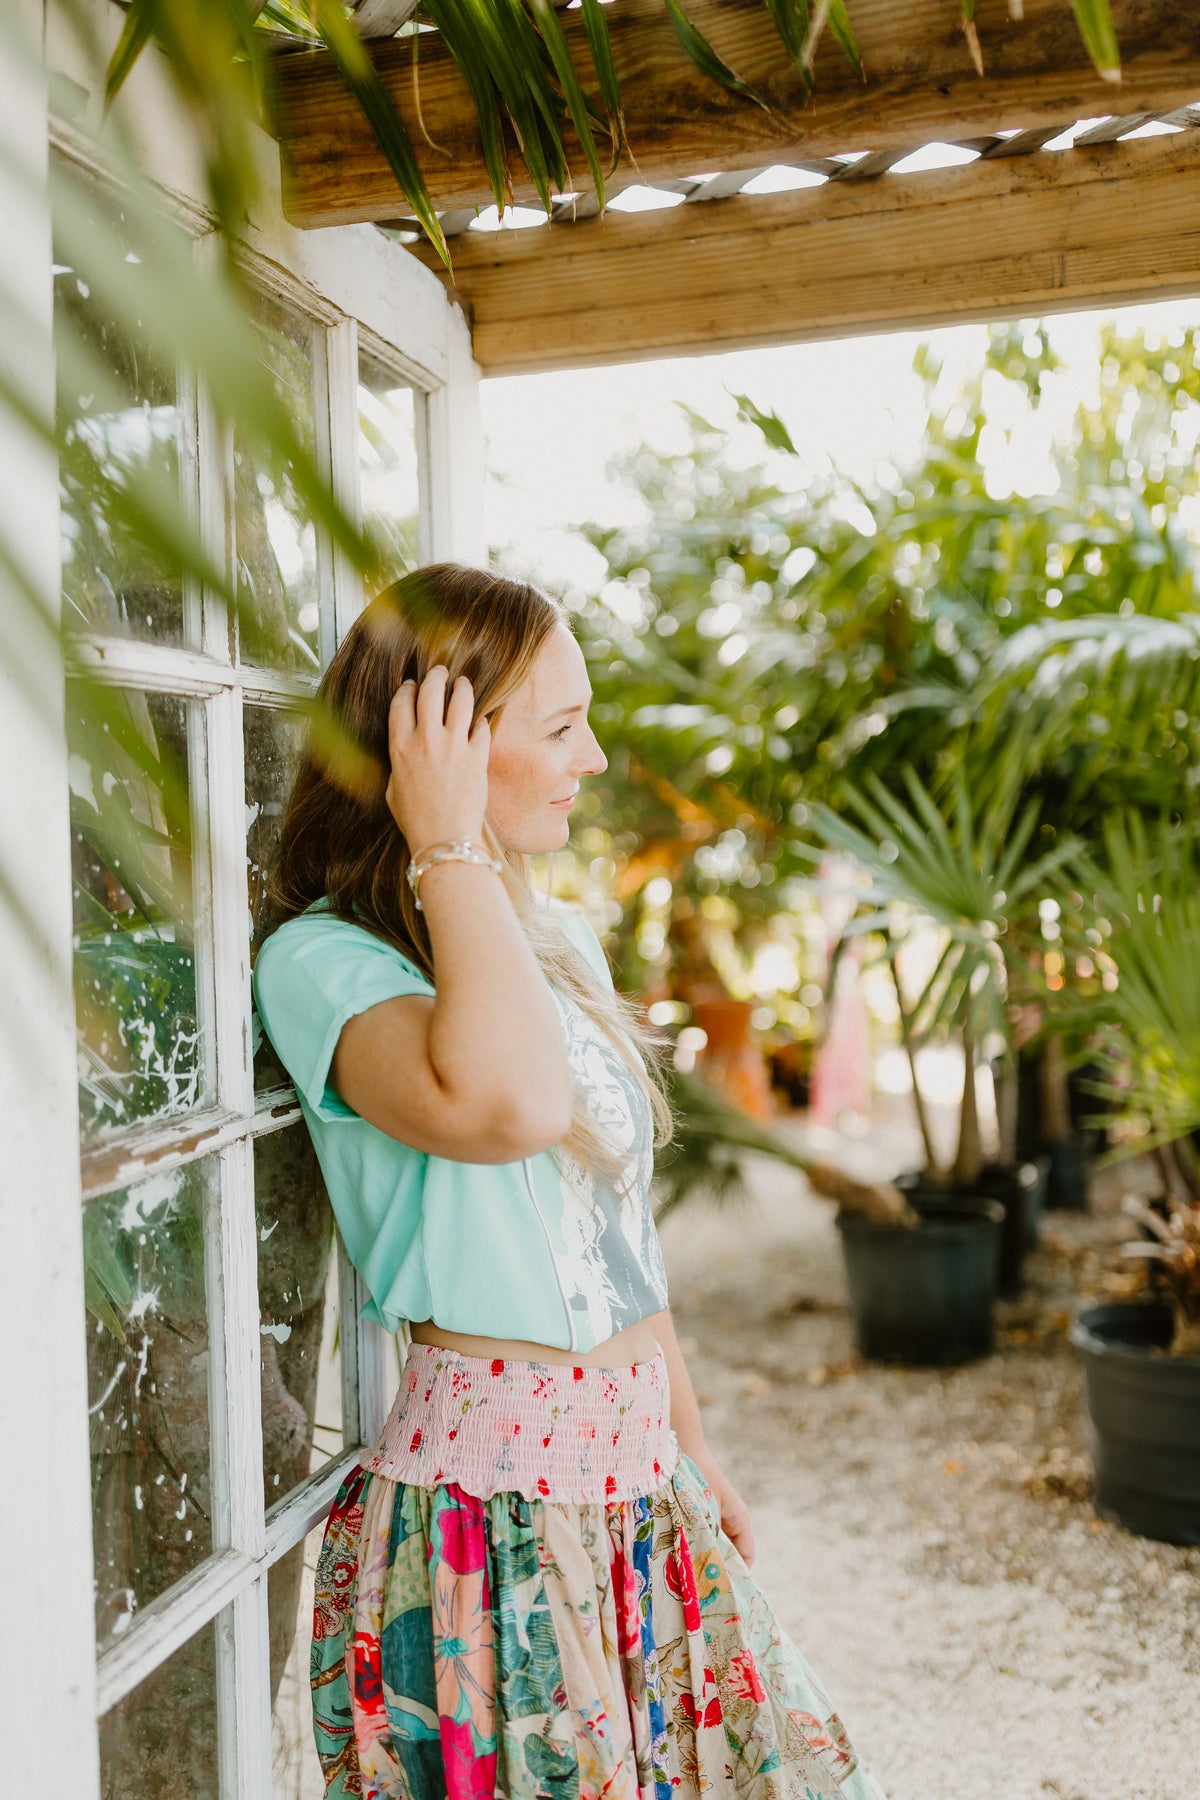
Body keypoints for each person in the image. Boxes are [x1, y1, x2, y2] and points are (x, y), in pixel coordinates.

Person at [252, 563, 889, 1800]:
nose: (593, 758)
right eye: (561, 727)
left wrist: (689, 1446)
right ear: (434, 743)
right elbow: (510, 1109)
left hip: (638, 1494)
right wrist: (442, 843)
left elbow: (613, 1231)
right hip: (487, 1524)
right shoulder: (323, 962)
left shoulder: (558, 942)